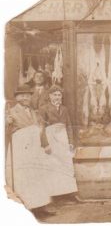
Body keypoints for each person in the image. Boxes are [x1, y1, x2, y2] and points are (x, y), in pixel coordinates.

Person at [5, 84, 55, 218]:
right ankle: (28, 209)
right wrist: (6, 123)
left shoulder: (34, 112)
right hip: (20, 151)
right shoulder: (10, 112)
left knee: (38, 176)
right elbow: (5, 132)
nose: (25, 97)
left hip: (34, 149)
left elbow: (41, 128)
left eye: (27, 95)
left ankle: (41, 206)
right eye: (21, 95)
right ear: (16, 97)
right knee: (24, 178)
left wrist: (46, 145)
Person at [39, 85, 78, 200]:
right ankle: (54, 196)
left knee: (66, 164)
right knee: (53, 164)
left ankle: (71, 193)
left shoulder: (64, 109)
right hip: (51, 138)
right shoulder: (44, 108)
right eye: (54, 95)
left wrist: (71, 142)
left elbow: (69, 126)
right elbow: (41, 128)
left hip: (63, 138)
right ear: (50, 96)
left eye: (59, 95)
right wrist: (45, 144)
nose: (57, 97)